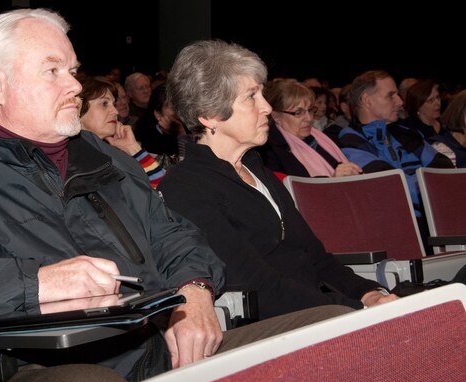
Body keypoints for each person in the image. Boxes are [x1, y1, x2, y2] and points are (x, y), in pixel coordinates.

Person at [0, 9, 351, 382]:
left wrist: (195, 293)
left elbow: (176, 234)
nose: (75, 85)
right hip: (36, 369)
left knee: (334, 330)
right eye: (52, 71)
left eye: (73, 70)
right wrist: (32, 284)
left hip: (157, 349)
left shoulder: (103, 158)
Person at [157, 40, 398, 321]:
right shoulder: (187, 190)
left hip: (321, 311)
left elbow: (317, 259)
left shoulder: (259, 173)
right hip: (276, 327)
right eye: (251, 97)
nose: (268, 107)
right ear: (210, 115)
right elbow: (257, 286)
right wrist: (356, 310)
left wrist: (370, 293)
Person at [338, 70, 454, 220]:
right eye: (390, 95)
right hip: (395, 227)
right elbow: (393, 185)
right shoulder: (350, 140)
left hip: (435, 218)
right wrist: (442, 192)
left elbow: (445, 169)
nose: (400, 102)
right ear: (367, 101)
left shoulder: (406, 133)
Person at [256, 79, 362, 178]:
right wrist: (334, 181)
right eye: (298, 112)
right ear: (276, 116)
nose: (309, 118)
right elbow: (289, 193)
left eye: (310, 110)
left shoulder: (317, 138)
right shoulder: (269, 153)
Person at [79, 75, 166, 187]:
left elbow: (166, 188)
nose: (115, 111)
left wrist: (132, 147)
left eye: (113, 104)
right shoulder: (71, 162)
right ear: (79, 111)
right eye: (104, 104)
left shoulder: (115, 155)